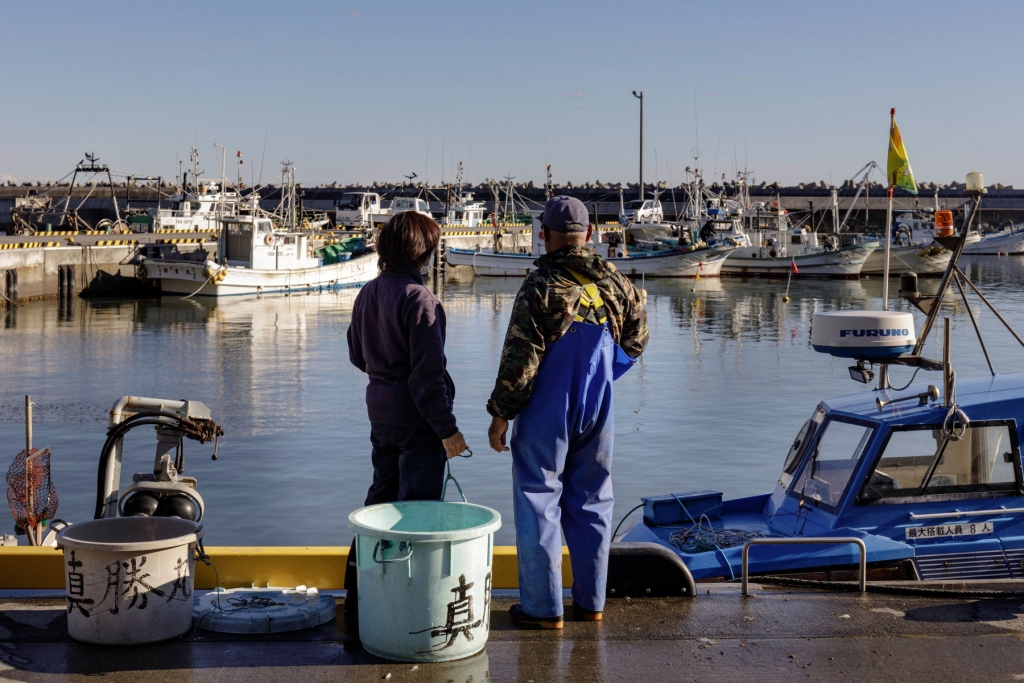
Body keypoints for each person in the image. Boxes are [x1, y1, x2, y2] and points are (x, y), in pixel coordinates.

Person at [486, 196, 649, 629]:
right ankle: (592, 603)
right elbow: (637, 340)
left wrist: (501, 413)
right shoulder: (617, 283)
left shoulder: (540, 285)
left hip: (548, 404)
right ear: (589, 234)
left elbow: (520, 358)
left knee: (539, 495)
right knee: (594, 498)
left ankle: (543, 609)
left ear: (543, 236)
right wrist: (602, 376)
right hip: (599, 403)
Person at [345, 211, 469, 613]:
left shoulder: (366, 293)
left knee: (379, 502)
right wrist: (448, 431)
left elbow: (357, 355)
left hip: (379, 414)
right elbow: (426, 378)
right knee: (416, 510)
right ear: (422, 255)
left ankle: (357, 592)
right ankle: (406, 605)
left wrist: (384, 378)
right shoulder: (421, 301)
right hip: (417, 422)